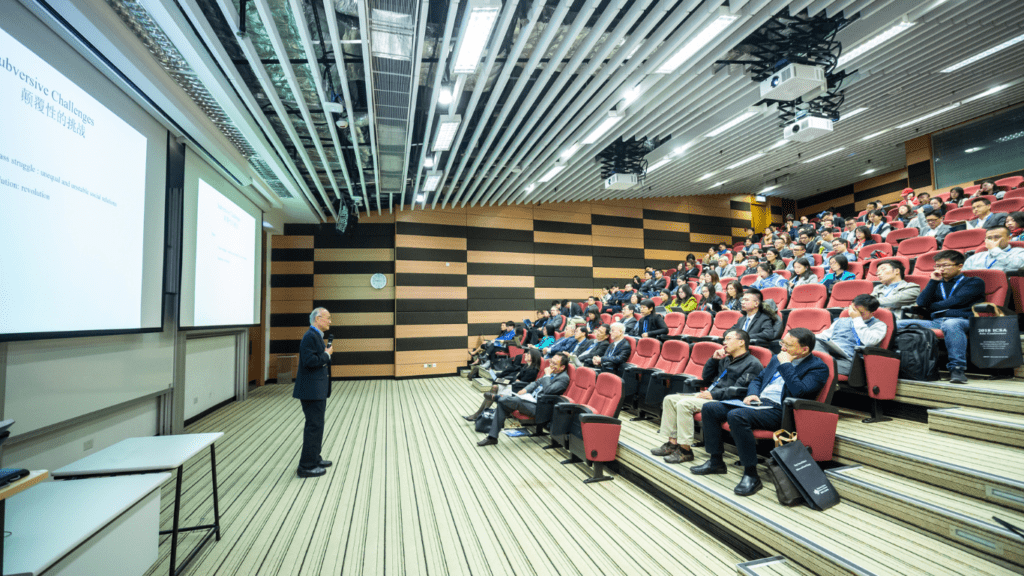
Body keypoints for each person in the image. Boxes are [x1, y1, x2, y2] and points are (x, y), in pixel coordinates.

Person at [692, 328, 829, 496]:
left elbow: (799, 392)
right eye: (782, 343)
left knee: (737, 416)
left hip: (782, 410)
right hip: (759, 403)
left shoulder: (818, 368)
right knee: (710, 408)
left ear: (804, 349)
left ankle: (751, 474)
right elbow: (758, 379)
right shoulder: (777, 358)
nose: (783, 348)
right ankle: (716, 461)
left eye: (788, 345)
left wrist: (786, 365)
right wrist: (752, 393)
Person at [652, 330, 763, 464]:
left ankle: (685, 450)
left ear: (741, 342)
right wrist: (713, 359)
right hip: (711, 395)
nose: (724, 343)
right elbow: (706, 377)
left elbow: (738, 390)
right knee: (669, 399)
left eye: (728, 339)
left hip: (726, 400)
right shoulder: (726, 358)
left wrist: (712, 395)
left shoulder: (752, 363)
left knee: (684, 404)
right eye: (724, 339)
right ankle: (672, 443)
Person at [898, 250, 985, 384]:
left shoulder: (974, 282)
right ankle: (900, 363)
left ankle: (957, 368)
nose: (940, 269)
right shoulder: (937, 283)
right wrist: (933, 281)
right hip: (937, 321)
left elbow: (956, 301)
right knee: (897, 324)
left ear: (959, 266)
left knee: (951, 324)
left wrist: (932, 306)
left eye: (945, 265)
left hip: (965, 321)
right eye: (937, 266)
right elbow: (921, 303)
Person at [477, 352, 571, 446]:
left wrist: (546, 375)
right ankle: (492, 437)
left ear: (562, 367)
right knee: (503, 404)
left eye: (554, 363)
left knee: (512, 400)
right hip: (531, 400)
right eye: (551, 362)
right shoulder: (552, 373)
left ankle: (498, 398)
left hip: (540, 408)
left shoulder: (563, 378)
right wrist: (525, 390)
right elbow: (536, 383)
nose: (551, 365)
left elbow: (548, 390)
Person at [294, 307, 334, 478]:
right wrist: (327, 355)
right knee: (313, 426)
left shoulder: (316, 335)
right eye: (328, 318)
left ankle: (315, 458)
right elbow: (310, 361)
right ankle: (306, 466)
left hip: (316, 390)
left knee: (317, 425)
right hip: (311, 391)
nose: (330, 321)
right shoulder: (310, 336)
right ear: (318, 319)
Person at [814, 295, 887, 376]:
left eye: (861, 313)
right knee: (814, 341)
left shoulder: (879, 325)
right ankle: (819, 364)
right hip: (831, 356)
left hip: (851, 363)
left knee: (810, 366)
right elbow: (823, 337)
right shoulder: (841, 321)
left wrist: (857, 319)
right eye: (854, 310)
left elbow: (869, 342)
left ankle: (816, 365)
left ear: (871, 313)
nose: (855, 314)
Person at [464, 348, 542, 421]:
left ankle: (480, 415)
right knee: (495, 386)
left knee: (494, 388)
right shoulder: (527, 366)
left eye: (529, 354)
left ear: (534, 357)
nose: (526, 355)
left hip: (517, 391)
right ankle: (480, 414)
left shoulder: (533, 370)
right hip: (514, 386)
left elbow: (521, 383)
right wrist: (508, 380)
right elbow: (517, 378)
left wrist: (512, 380)